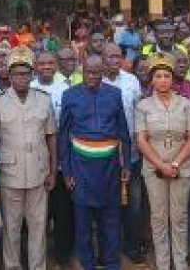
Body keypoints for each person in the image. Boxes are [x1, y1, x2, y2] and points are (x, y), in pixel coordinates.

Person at [59, 54, 131, 270]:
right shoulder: (69, 95)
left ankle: (111, 263)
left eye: (97, 72)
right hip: (80, 167)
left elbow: (123, 132)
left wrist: (126, 164)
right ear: (82, 70)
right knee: (83, 223)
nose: (92, 76)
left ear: (103, 72)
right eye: (88, 71)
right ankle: (88, 263)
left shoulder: (115, 94)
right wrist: (66, 172)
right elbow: (64, 136)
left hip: (109, 167)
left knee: (110, 221)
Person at [0, 47, 57, 270]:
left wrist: (53, 171)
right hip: (10, 175)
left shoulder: (43, 101)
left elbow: (51, 138)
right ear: (9, 76)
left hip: (39, 173)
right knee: (11, 227)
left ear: (32, 74)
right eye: (17, 73)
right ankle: (13, 266)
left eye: (26, 73)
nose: (22, 77)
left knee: (39, 226)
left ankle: (38, 266)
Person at [135, 53, 190, 270]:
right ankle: (163, 263)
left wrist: (176, 164)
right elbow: (142, 140)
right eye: (158, 76)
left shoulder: (186, 104)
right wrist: (161, 164)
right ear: (152, 79)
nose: (163, 80)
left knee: (179, 217)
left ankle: (180, 263)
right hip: (154, 169)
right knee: (159, 217)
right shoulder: (143, 106)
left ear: (173, 79)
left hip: (182, 167)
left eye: (167, 76)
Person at [30, 49, 74, 268]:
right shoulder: (28, 89)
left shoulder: (66, 89)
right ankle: (37, 256)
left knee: (63, 212)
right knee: (37, 216)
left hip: (61, 161)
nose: (46, 67)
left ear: (56, 65)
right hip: (36, 162)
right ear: (35, 66)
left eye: (50, 63)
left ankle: (62, 255)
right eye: (42, 63)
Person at [102, 43, 144, 263]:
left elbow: (139, 115)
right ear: (102, 58)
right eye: (110, 57)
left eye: (118, 57)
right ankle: (109, 249)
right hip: (104, 156)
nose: (115, 61)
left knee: (133, 206)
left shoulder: (132, 81)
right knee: (107, 206)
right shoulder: (94, 81)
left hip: (132, 154)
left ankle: (133, 247)